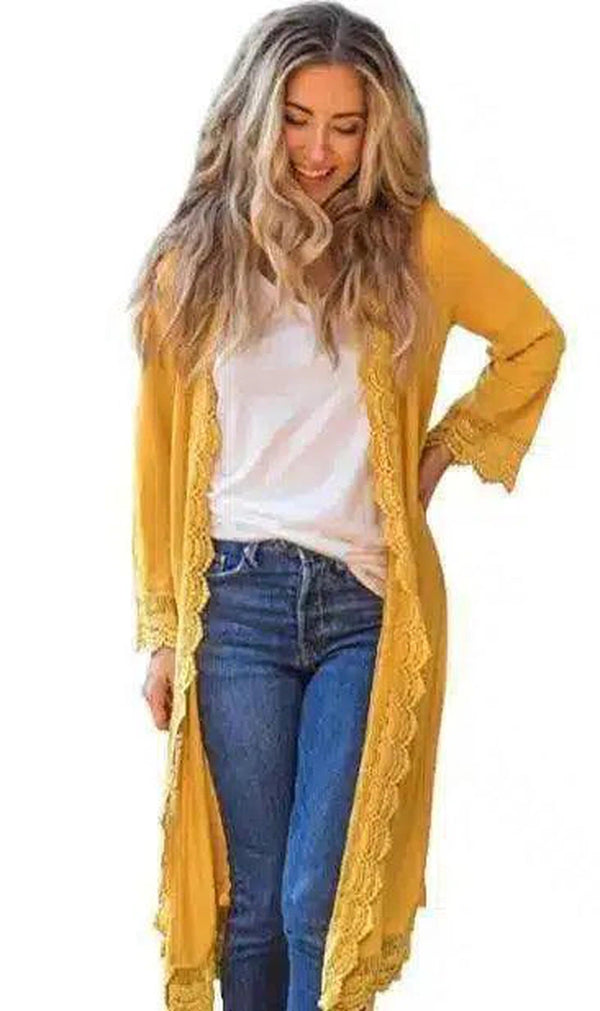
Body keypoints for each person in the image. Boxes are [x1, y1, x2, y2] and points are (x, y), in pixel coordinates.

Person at [129, 4, 566, 1010]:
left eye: (346, 126)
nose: (320, 151)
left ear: (380, 131)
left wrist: (440, 454)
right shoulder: (196, 258)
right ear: (256, 116)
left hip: (365, 605)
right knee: (251, 904)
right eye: (297, 119)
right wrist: (161, 632)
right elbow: (155, 457)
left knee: (315, 898)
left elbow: (533, 338)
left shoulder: (418, 243)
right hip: (233, 603)